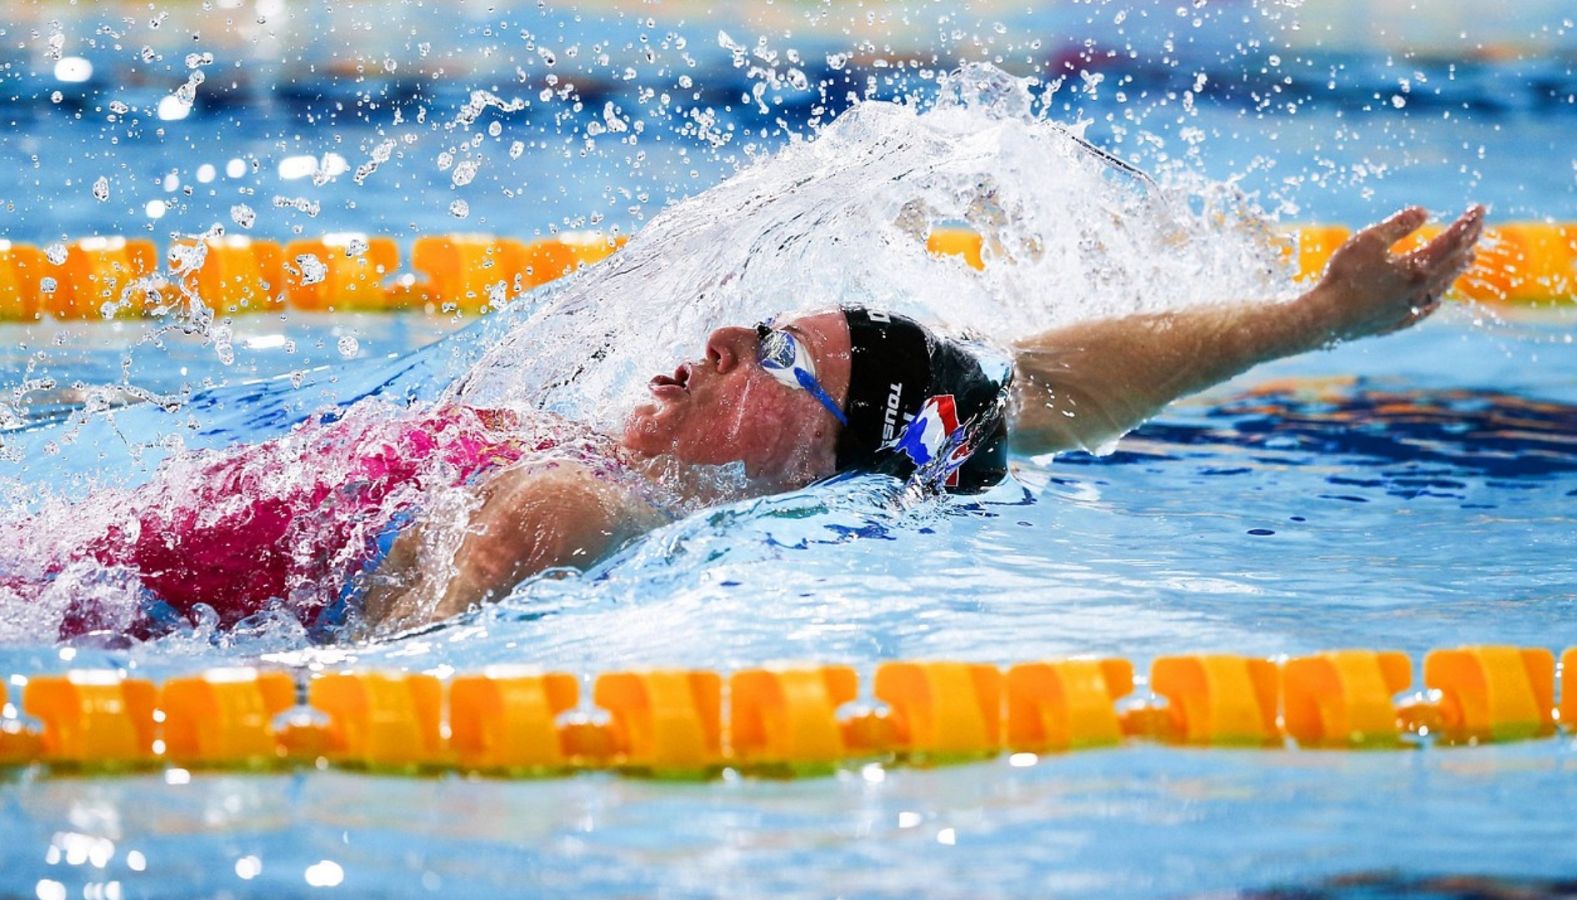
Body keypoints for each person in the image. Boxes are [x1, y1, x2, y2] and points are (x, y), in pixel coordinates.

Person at [19, 204, 1485, 639]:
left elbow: (378, 673)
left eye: (775, 363)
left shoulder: (575, 505)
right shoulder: (600, 463)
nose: (721, 339)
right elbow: (1025, 398)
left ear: (801, 457)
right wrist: (1306, 323)